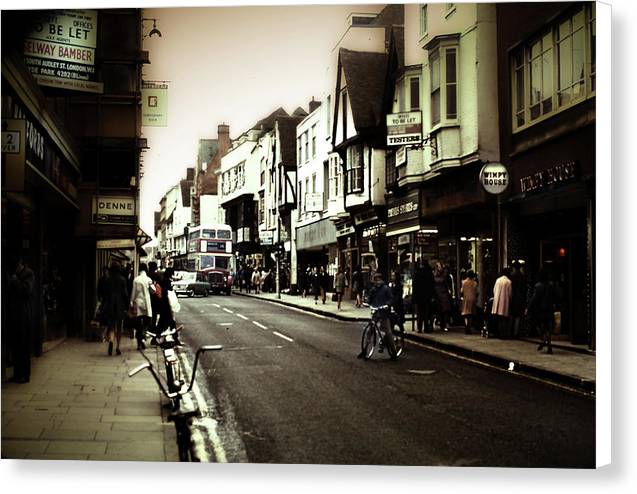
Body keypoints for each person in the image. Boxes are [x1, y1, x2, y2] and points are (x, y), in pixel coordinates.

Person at [8, 259, 35, 383]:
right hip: (15, 316)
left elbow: (26, 290)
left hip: (24, 316)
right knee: (16, 346)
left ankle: (25, 375)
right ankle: (17, 373)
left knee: (24, 346)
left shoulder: (29, 274)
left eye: (17, 268)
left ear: (21, 265)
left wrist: (15, 281)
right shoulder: (16, 275)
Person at [360, 272, 396, 357]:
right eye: (375, 280)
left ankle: (394, 351)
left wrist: (387, 304)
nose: (377, 282)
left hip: (384, 312)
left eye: (378, 280)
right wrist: (367, 302)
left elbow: (391, 298)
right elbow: (370, 298)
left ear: (381, 280)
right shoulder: (373, 289)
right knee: (370, 330)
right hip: (376, 312)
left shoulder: (386, 289)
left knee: (388, 332)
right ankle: (365, 348)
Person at [526, 269, 558, 354]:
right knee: (548, 328)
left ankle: (543, 340)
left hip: (540, 310)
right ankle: (549, 345)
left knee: (539, 326)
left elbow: (534, 298)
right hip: (549, 309)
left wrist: (528, 307)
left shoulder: (538, 286)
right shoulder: (551, 285)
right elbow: (555, 296)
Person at [101, 261, 129, 356]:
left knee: (112, 326)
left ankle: (111, 341)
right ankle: (118, 347)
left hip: (110, 305)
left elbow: (104, 294)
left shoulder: (107, 280)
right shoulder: (122, 280)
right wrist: (127, 305)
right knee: (119, 327)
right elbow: (125, 294)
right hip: (120, 306)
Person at [129, 263, 153, 350]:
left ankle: (139, 342)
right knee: (147, 322)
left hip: (138, 303)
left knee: (138, 324)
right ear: (146, 270)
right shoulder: (148, 279)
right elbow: (153, 291)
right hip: (147, 304)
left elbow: (133, 292)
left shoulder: (136, 280)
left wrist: (131, 302)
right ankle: (143, 337)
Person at [412, 260, 434, 333]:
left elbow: (414, 286)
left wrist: (414, 297)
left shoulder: (416, 273)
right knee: (426, 312)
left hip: (418, 296)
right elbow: (431, 285)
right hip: (427, 295)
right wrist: (432, 295)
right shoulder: (429, 273)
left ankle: (419, 327)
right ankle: (426, 327)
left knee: (419, 312)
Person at [492, 268, 513, 338]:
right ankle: (503, 334)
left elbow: (494, 290)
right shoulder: (508, 282)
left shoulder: (498, 280)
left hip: (497, 300)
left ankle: (499, 333)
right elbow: (510, 294)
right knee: (504, 318)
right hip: (505, 301)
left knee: (499, 318)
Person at [433, 262, 452, 331]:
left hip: (443, 293)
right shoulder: (435, 275)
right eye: (438, 267)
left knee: (445, 310)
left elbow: (447, 284)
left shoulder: (444, 275)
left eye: (440, 266)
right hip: (438, 294)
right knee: (440, 310)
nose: (440, 268)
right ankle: (441, 322)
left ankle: (445, 323)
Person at [509, 261, 526, 338]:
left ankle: (511, 332)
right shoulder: (522, 276)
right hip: (520, 298)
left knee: (512, 315)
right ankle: (517, 332)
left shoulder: (511, 276)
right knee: (518, 316)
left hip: (513, 297)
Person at [157, 267, 176, 332]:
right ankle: (174, 334)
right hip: (166, 302)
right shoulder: (167, 281)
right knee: (169, 319)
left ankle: (158, 333)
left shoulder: (162, 280)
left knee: (163, 319)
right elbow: (168, 291)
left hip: (162, 302)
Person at [460, 270, 479, 335]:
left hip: (466, 299)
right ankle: (469, 326)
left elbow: (461, 291)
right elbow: (477, 292)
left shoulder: (464, 282)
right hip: (472, 299)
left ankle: (466, 326)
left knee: (466, 313)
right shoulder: (475, 283)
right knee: (470, 314)